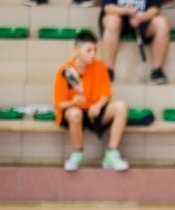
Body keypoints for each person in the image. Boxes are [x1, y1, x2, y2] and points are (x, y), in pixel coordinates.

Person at [54, 31, 129, 172]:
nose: (93, 54)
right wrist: (73, 102)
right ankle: (78, 154)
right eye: (88, 50)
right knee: (75, 113)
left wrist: (98, 106)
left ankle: (111, 154)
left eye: (95, 50)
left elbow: (106, 94)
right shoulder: (65, 70)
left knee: (121, 106)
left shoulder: (100, 66)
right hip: (74, 112)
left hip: (94, 111)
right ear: (77, 50)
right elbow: (60, 104)